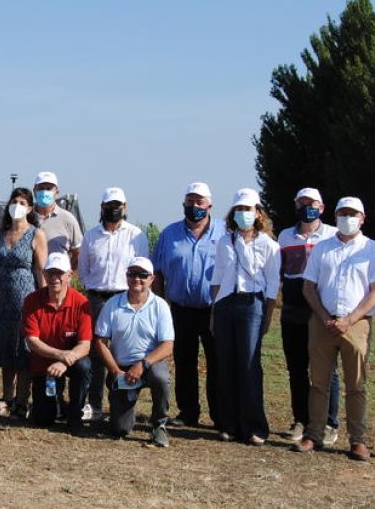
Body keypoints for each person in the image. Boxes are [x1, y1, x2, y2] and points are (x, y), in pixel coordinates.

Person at [292, 197, 375, 461]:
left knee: (356, 385)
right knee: (319, 383)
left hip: (357, 325)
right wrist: (324, 316)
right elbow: (308, 287)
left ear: (362, 218)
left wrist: (350, 319)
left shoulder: (373, 249)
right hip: (322, 322)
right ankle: (314, 435)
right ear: (335, 216)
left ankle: (357, 440)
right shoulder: (322, 248)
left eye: (353, 213)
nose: (348, 217)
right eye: (343, 213)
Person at [210, 188, 281, 444]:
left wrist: (268, 315)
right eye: (239, 209)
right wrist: (214, 310)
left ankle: (255, 426)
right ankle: (228, 424)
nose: (243, 214)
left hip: (253, 304)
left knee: (249, 366)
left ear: (258, 213)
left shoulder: (269, 245)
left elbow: (273, 284)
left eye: (248, 209)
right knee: (226, 364)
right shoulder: (223, 242)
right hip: (226, 304)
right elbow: (217, 277)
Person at [152, 181, 225, 429]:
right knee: (184, 362)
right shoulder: (169, 234)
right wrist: (162, 303)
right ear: (184, 204)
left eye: (200, 202)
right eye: (191, 201)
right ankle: (188, 412)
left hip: (213, 310)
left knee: (217, 363)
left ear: (209, 206)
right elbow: (158, 272)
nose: (195, 206)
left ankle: (219, 414)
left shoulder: (225, 234)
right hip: (180, 309)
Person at [277, 187, 342, 445]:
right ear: (296, 206)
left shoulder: (333, 235)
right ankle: (301, 420)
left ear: (322, 207)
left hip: (320, 309)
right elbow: (279, 273)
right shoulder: (284, 236)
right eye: (302, 203)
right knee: (296, 368)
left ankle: (328, 422)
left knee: (327, 370)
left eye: (312, 203)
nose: (307, 207)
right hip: (293, 310)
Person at [78, 187, 149, 420]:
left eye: (118, 205)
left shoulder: (136, 235)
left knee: (122, 350)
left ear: (125, 208)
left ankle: (119, 404)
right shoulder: (91, 235)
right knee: (98, 351)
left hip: (124, 297)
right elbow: (84, 269)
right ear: (102, 207)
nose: (113, 209)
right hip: (98, 298)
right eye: (109, 205)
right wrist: (94, 288)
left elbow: (144, 268)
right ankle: (95, 404)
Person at [93, 256, 174, 447]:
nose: (136, 278)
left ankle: (159, 425)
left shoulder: (160, 306)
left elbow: (167, 345)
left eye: (142, 275)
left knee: (161, 377)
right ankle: (124, 409)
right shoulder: (113, 304)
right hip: (121, 368)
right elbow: (100, 341)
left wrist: (143, 364)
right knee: (120, 429)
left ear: (152, 279)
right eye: (132, 274)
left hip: (150, 364)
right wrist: (114, 371)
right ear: (126, 276)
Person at [0, 187, 47, 419]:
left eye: (22, 202)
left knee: (23, 351)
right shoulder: (0, 234)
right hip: (1, 298)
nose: (17, 205)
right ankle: (7, 397)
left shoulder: (36, 234)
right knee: (5, 350)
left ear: (30, 208)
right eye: (14, 201)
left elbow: (41, 270)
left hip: (25, 298)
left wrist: (43, 299)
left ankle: (22, 400)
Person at [22, 252, 92, 431]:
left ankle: (75, 412)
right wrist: (60, 355)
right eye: (50, 273)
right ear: (44, 274)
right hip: (43, 363)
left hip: (71, 362)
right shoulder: (32, 300)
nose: (54, 278)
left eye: (59, 273)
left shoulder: (81, 303)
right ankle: (56, 402)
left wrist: (64, 361)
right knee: (44, 419)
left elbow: (85, 344)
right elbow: (32, 341)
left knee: (84, 366)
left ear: (70, 275)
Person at [32, 171, 83, 267]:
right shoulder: (26, 218)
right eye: (41, 188)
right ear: (34, 190)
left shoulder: (68, 219)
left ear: (57, 192)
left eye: (49, 188)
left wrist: (66, 274)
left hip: (55, 279)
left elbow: (78, 252)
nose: (44, 191)